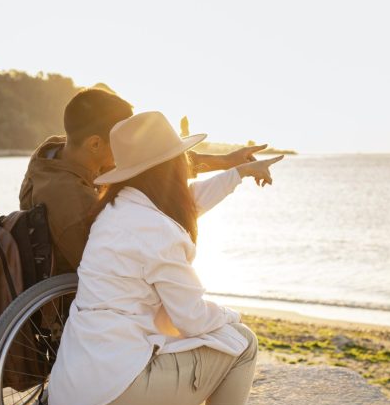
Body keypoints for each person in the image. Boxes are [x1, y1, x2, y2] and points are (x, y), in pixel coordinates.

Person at [49, 111, 284, 405]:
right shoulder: (156, 229)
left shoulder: (117, 209)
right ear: (169, 165)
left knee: (141, 349)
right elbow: (191, 318)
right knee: (242, 344)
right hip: (109, 403)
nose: (186, 164)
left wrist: (238, 173)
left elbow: (186, 202)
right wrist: (231, 318)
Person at [19, 88, 266, 273]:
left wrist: (226, 161)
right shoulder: (72, 202)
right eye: (124, 141)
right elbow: (106, 272)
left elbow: (157, 164)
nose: (133, 148)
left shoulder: (62, 153)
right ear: (95, 143)